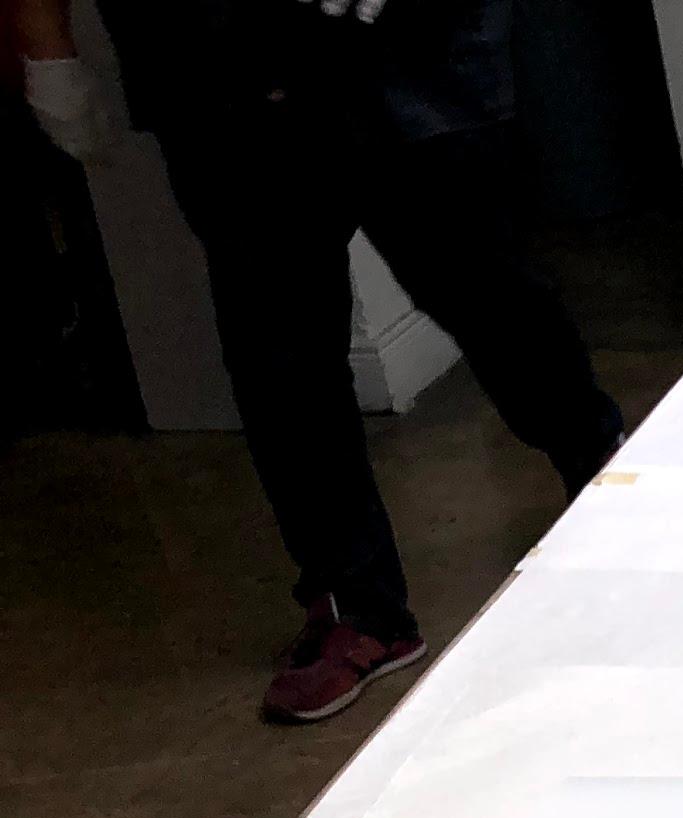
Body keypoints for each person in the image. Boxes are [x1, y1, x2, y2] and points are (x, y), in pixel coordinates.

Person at [17, 0, 622, 720]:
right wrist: (47, 51)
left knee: (483, 287)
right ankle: (358, 605)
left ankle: (600, 465)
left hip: (403, 45)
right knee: (279, 347)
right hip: (218, 63)